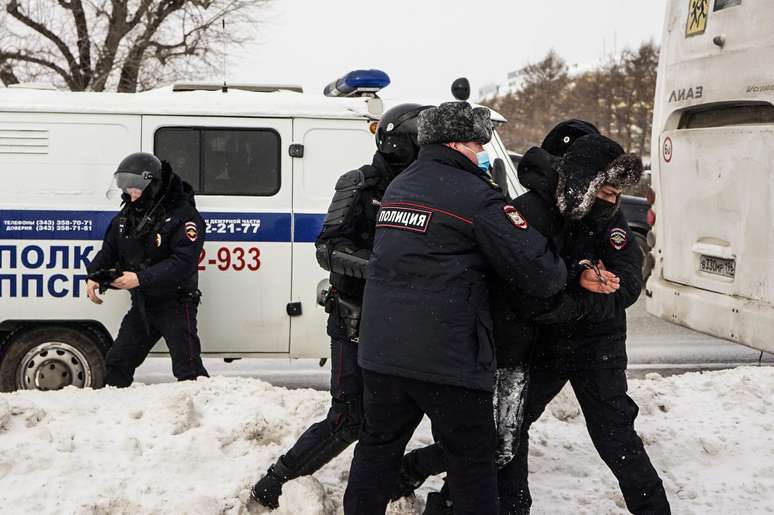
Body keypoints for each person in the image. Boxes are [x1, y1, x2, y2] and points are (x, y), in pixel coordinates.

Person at [343, 101, 569, 515]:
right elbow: (542, 274)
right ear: (457, 143)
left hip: (383, 352)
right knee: (472, 460)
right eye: (478, 142)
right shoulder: (478, 198)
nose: (482, 150)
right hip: (448, 358)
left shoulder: (401, 186)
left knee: (377, 450)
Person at [392, 119, 621, 515]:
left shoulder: (577, 210)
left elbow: (562, 265)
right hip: (504, 346)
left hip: (528, 346)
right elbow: (530, 281)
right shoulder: (527, 208)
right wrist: (579, 296)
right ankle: (431, 487)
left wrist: (582, 271)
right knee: (492, 444)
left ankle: (497, 501)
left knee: (501, 443)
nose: (606, 190)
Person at [248, 103, 429, 509]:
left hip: (410, 320)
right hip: (356, 317)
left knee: (401, 411)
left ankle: (395, 478)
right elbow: (327, 248)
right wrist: (381, 268)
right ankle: (277, 481)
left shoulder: (427, 186)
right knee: (349, 416)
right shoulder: (362, 183)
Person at [509, 133, 671, 514]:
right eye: (607, 192)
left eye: (616, 195)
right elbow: (532, 278)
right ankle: (420, 475)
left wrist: (602, 293)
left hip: (598, 346)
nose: (612, 202)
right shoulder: (535, 211)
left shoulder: (611, 219)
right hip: (543, 344)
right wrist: (577, 279)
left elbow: (628, 275)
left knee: (616, 435)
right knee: (508, 427)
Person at [85, 152, 208, 387]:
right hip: (143, 305)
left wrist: (139, 278)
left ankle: (207, 419)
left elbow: (183, 263)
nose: (131, 194)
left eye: (136, 188)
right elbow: (109, 251)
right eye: (127, 187)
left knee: (188, 371)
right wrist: (93, 276)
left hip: (176, 303)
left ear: (152, 186)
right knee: (117, 363)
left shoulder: (184, 217)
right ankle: (119, 417)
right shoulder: (128, 215)